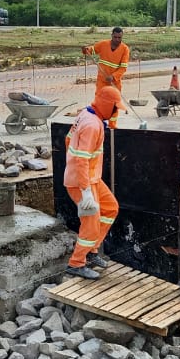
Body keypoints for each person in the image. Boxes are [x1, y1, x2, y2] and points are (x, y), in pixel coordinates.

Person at [62, 85, 124, 279]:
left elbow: (67, 139)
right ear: (107, 106)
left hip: (91, 179)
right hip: (82, 182)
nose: (116, 112)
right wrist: (85, 190)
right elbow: (81, 159)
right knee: (91, 223)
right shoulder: (92, 125)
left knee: (111, 208)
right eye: (115, 108)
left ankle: (92, 250)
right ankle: (76, 263)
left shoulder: (86, 114)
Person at [82, 27, 130, 94]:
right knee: (100, 101)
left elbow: (123, 68)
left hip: (114, 82)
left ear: (122, 37)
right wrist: (86, 50)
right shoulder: (103, 44)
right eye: (115, 37)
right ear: (111, 36)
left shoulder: (125, 49)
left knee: (114, 102)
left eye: (119, 38)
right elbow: (91, 50)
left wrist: (113, 77)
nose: (117, 39)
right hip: (102, 82)